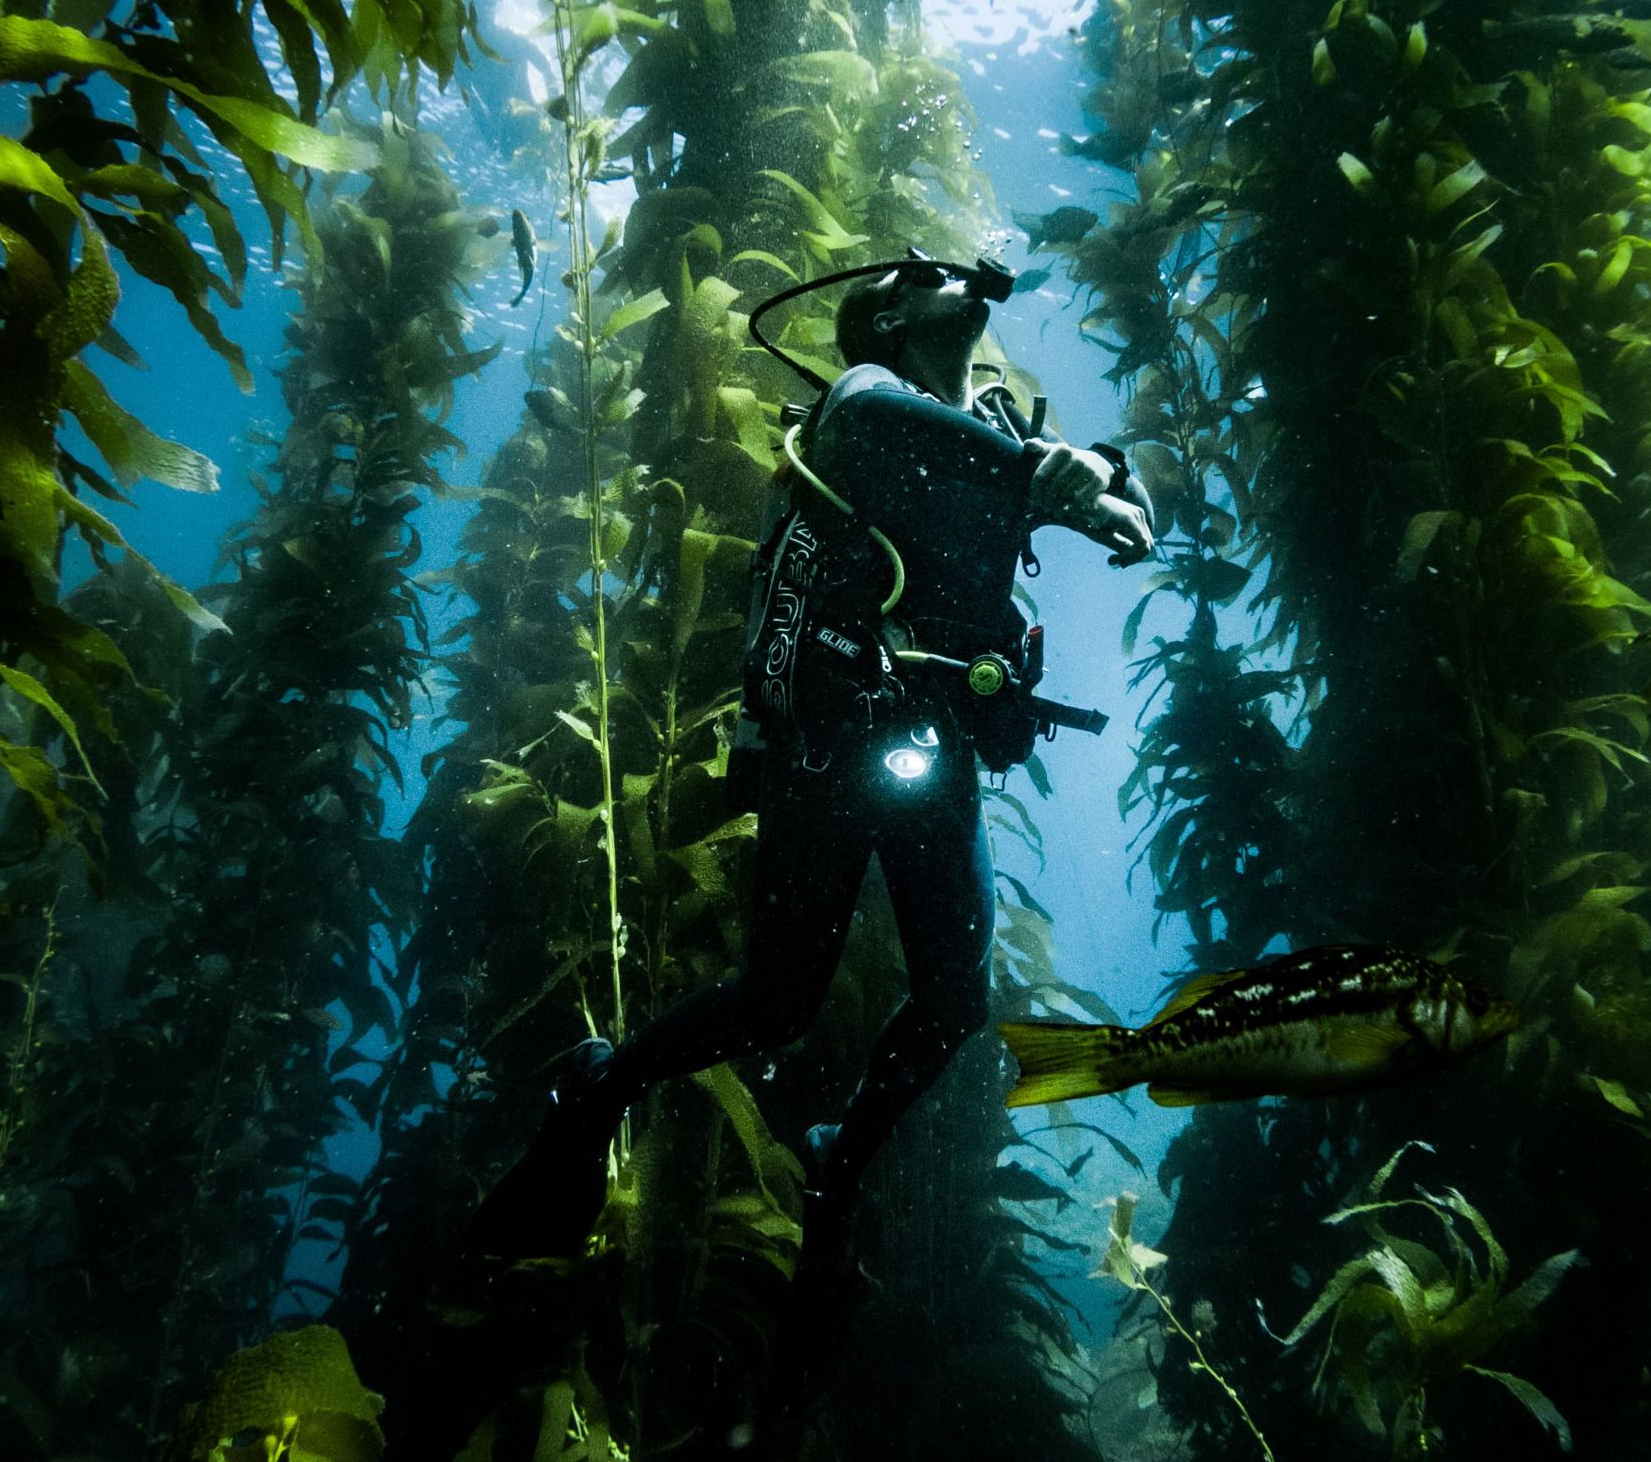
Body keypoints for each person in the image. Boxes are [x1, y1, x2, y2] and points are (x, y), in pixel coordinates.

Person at [464, 257, 1154, 1300]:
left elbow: (1117, 486)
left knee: (953, 998)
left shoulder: (1008, 431)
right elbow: (872, 429)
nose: (950, 272)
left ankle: (840, 1158)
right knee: (779, 999)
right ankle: (598, 1088)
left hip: (936, 745)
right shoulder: (868, 393)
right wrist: (1045, 474)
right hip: (831, 740)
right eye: (919, 273)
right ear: (887, 314)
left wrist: (1115, 490)